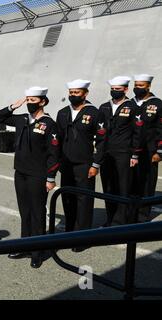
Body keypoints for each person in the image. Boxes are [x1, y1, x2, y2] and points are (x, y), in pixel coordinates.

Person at [0, 87, 60, 268]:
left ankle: (37, 252)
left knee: (37, 213)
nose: (30, 103)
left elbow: (54, 153)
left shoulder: (49, 124)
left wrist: (51, 177)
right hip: (21, 173)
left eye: (33, 100)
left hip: (38, 175)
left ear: (43, 102)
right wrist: (14, 106)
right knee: (25, 212)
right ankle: (25, 246)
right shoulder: (22, 119)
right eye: (28, 99)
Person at [56, 80, 105, 250]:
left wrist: (96, 164)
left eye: (77, 92)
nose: (73, 95)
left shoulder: (94, 113)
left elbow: (101, 141)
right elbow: (58, 140)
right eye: (71, 92)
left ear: (85, 93)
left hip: (85, 164)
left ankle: (82, 238)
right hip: (66, 164)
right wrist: (58, 162)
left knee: (84, 200)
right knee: (67, 198)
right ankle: (69, 233)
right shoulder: (62, 113)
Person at [99, 76, 144, 226]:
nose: (114, 92)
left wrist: (135, 154)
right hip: (106, 153)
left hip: (124, 152)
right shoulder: (104, 107)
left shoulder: (133, 107)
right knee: (108, 187)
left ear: (125, 89)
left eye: (118, 89)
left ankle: (121, 221)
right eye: (112, 89)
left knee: (123, 187)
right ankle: (110, 217)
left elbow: (138, 132)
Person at [131, 74, 162, 222]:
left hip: (150, 150)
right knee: (132, 183)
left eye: (141, 86)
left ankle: (143, 215)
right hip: (130, 150)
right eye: (136, 85)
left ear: (148, 86)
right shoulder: (130, 103)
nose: (137, 88)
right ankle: (131, 212)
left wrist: (159, 151)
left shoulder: (157, 104)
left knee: (147, 183)